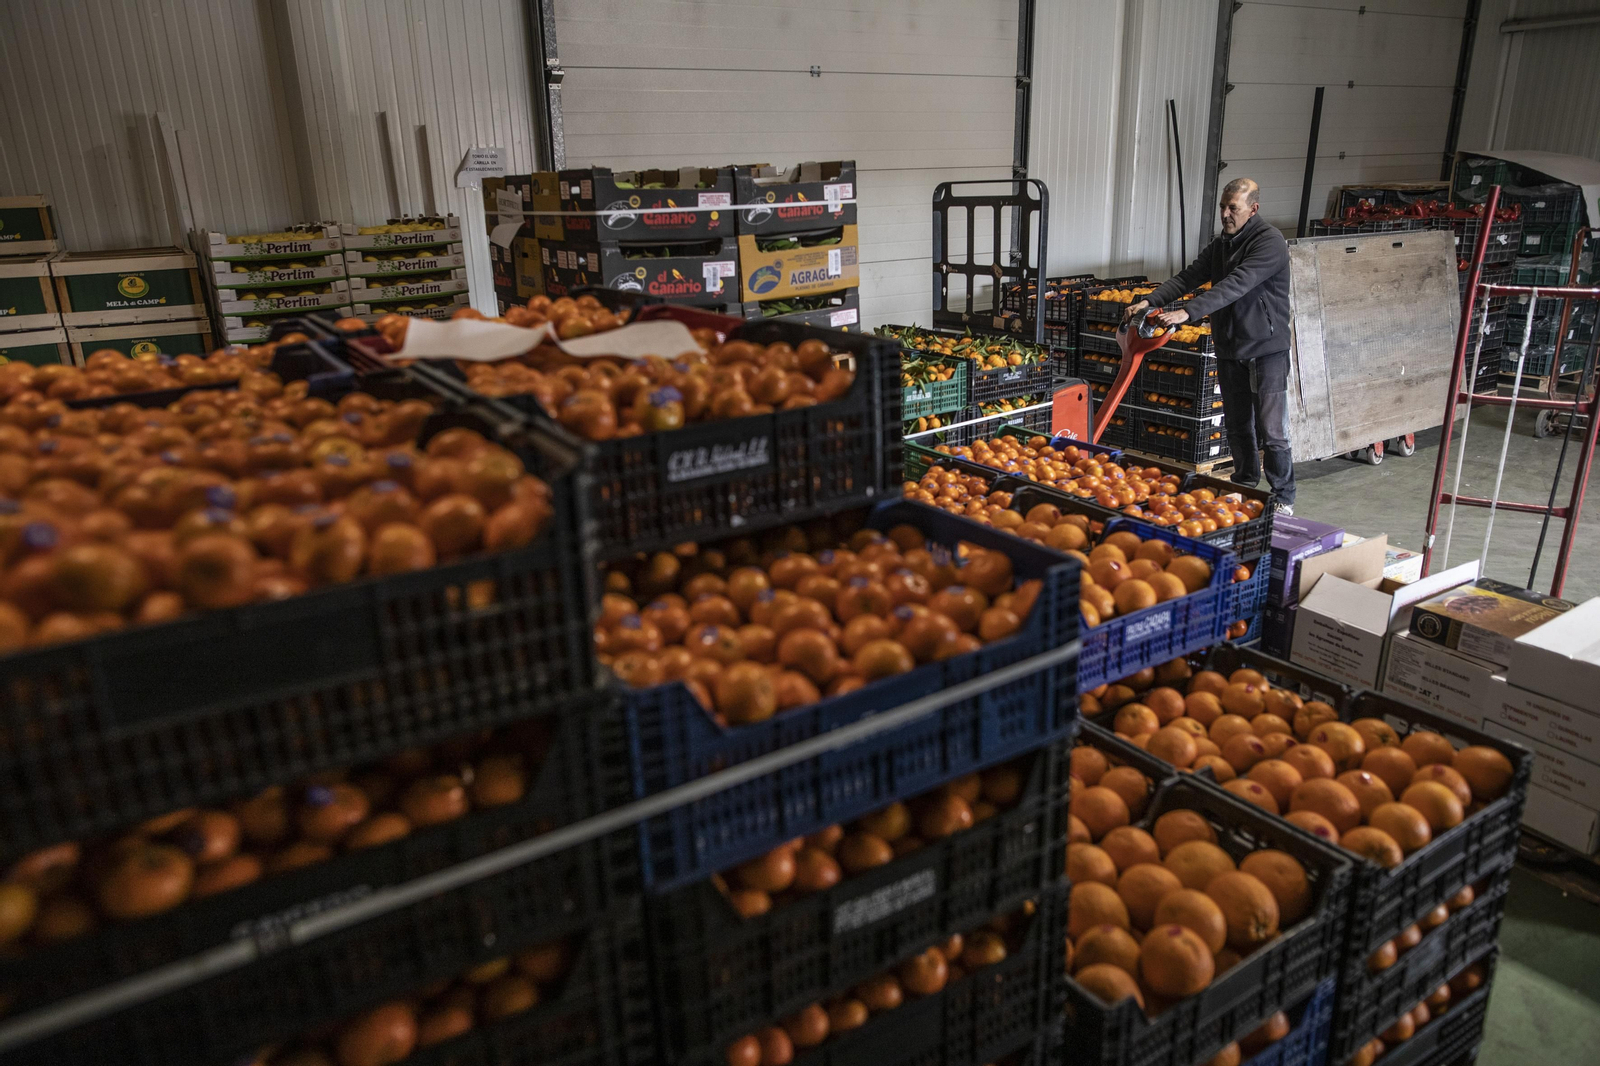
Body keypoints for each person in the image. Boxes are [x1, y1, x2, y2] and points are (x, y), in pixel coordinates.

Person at [1125, 177, 1296, 514]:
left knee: (1272, 427)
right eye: (1222, 206)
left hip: (1266, 347)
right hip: (1230, 343)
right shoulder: (1221, 245)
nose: (1226, 214)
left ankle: (1283, 496)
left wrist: (1187, 312)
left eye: (1233, 208)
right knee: (1236, 422)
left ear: (1253, 209)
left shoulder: (1270, 242)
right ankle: (1245, 482)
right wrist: (1150, 301)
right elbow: (1189, 276)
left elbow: (1237, 284)